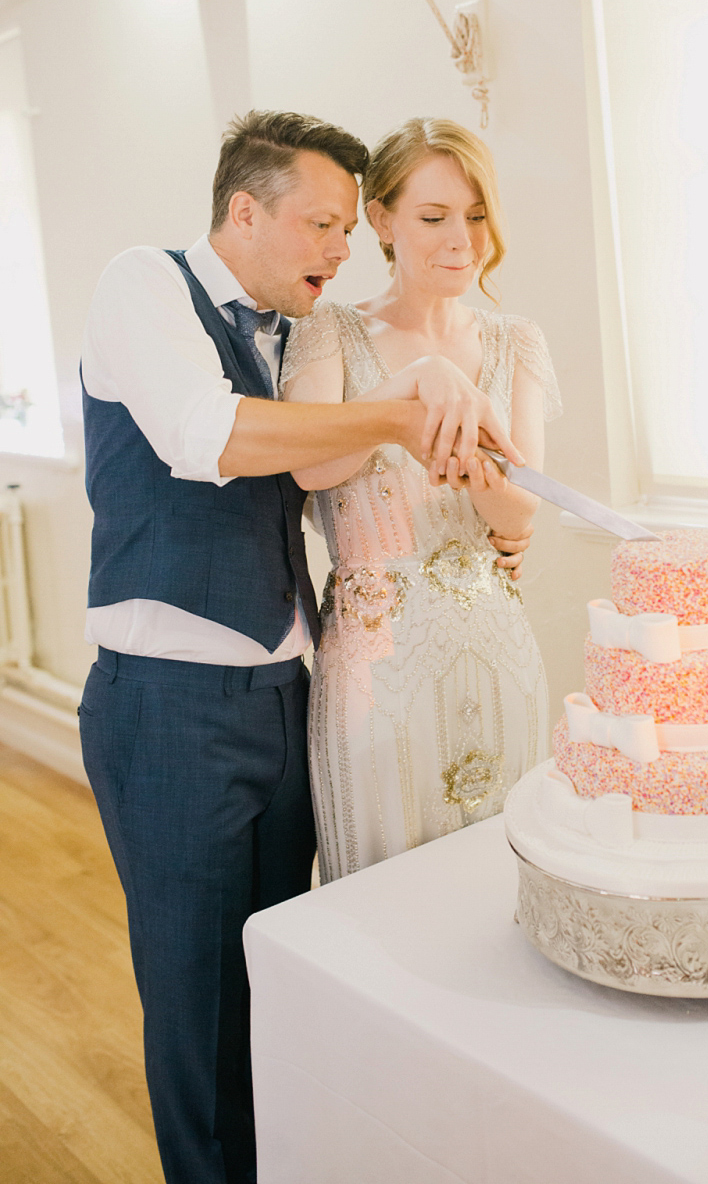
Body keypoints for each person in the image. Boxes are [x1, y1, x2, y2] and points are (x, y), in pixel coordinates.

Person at [78, 110, 525, 1184]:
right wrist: (398, 409)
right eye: (322, 224)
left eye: (343, 228)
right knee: (199, 1004)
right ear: (244, 208)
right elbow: (211, 434)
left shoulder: (297, 331)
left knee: (284, 976)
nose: (338, 248)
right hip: (170, 704)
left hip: (293, 691)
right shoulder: (143, 283)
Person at [280, 117, 560, 882]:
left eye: (474, 217)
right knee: (382, 886)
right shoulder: (329, 331)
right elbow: (311, 466)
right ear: (382, 221)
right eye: (434, 218)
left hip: (497, 646)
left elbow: (523, 512)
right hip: (377, 660)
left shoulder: (515, 342)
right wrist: (404, 399)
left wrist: (486, 481)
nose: (460, 240)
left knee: (501, 885)